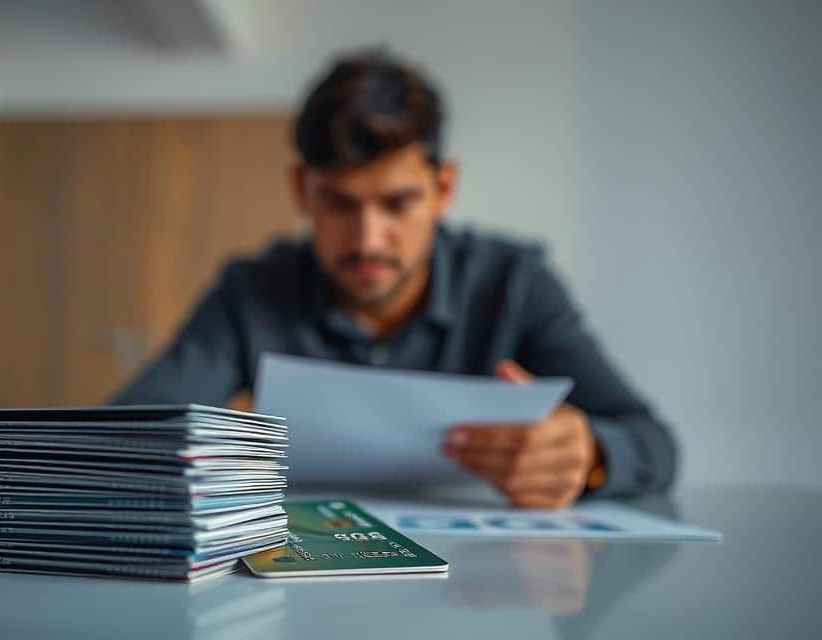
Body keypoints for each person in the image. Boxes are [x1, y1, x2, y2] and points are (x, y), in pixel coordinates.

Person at [112, 50, 677, 508]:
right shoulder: (251, 292)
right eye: (338, 203)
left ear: (444, 188)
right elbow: (125, 436)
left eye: (397, 203)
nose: (367, 240)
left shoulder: (515, 285)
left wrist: (589, 454)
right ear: (300, 190)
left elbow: (655, 443)